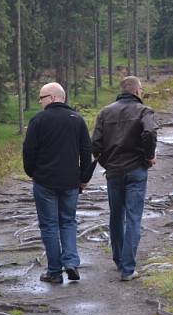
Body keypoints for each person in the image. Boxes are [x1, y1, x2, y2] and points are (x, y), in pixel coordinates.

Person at [23, 82, 92, 284]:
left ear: (53, 98)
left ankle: (54, 271)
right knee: (68, 221)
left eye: (42, 98)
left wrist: (33, 173)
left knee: (49, 225)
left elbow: (28, 151)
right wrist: (83, 179)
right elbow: (86, 152)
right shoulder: (77, 120)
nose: (40, 102)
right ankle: (71, 262)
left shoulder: (38, 120)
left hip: (44, 181)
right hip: (71, 182)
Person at [91, 76, 157, 281]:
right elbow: (150, 134)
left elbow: (95, 145)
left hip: (114, 172)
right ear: (137, 91)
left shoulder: (105, 112)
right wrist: (148, 157)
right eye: (142, 89)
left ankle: (119, 260)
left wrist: (106, 163)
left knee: (116, 216)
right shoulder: (144, 111)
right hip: (136, 170)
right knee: (134, 217)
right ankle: (128, 269)